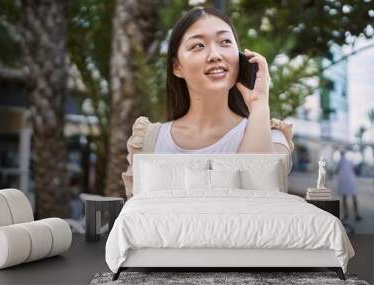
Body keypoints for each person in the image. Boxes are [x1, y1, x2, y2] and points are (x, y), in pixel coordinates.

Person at [121, 7, 294, 199]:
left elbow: (256, 200)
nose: (215, 55)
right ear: (177, 67)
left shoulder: (271, 138)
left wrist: (259, 104)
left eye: (225, 42)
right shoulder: (148, 142)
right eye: (198, 46)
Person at [336, 150, 362, 221]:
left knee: (344, 198)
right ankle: (356, 214)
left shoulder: (340, 161)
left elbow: (337, 170)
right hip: (351, 181)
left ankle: (346, 214)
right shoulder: (349, 160)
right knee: (354, 197)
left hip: (345, 181)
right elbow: (355, 169)